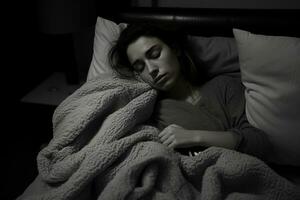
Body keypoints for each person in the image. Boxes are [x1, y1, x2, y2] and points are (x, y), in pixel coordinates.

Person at [109, 23, 272, 161]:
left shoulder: (223, 87)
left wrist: (193, 136)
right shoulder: (151, 110)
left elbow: (260, 144)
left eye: (155, 54)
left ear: (175, 49)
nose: (151, 70)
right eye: (140, 67)